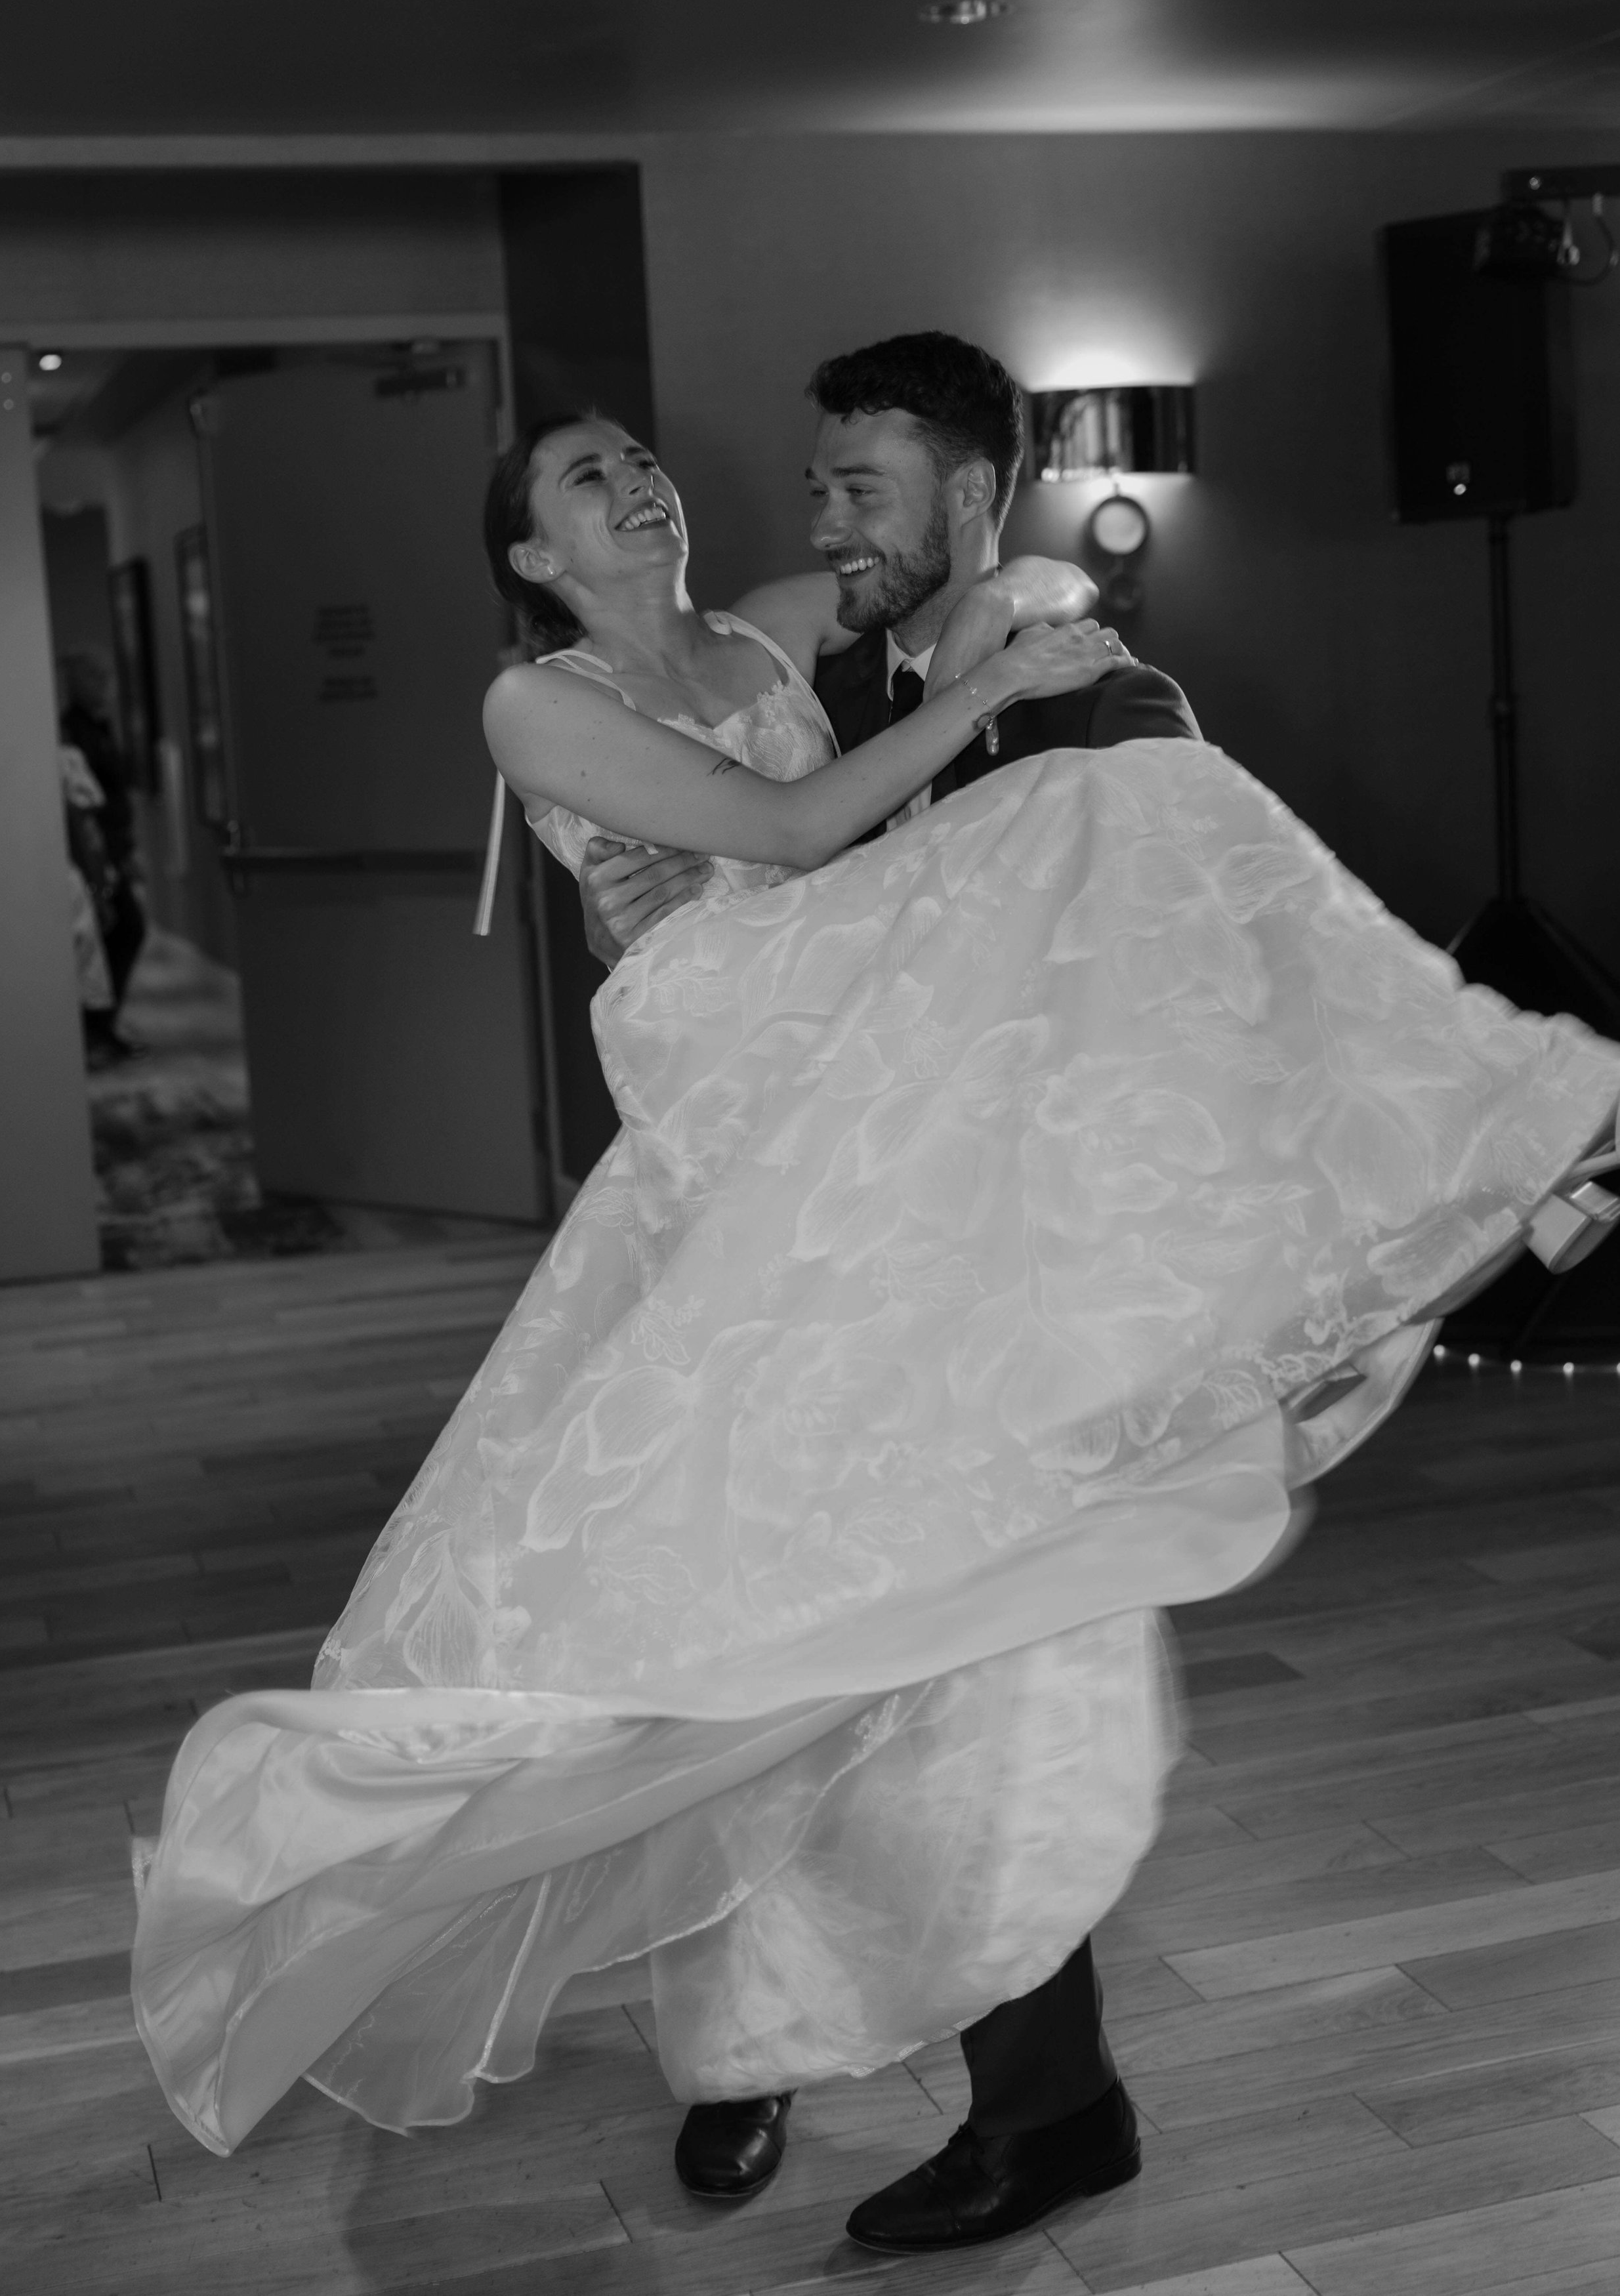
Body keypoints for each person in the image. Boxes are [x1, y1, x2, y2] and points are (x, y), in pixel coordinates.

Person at [133, 401, 1620, 2263]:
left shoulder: (763, 625)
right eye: (587, 480)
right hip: (732, 1070)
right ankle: (761, 2032)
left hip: (856, 1063)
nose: (639, 482)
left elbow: (948, 571)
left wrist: (1035, 599)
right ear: (530, 556)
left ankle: (1493, 1141)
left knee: (873, 1557)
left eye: (642, 457)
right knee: (709, 1576)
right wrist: (991, 685)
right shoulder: (535, 697)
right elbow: (784, 821)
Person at [579, 335, 1193, 2234]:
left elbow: (1168, 977)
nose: (823, 523)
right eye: (818, 484)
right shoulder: (822, 684)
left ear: (972, 493)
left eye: (863, 488)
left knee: (980, 1693)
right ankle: (772, 2043)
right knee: (763, 1651)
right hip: (794, 1250)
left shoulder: (1101, 702)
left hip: (996, 1276)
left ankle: (1043, 2100)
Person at [59, 646, 146, 1058]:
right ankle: (96, 1026)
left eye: (108, 676)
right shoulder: (73, 735)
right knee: (124, 927)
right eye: (95, 677)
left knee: (122, 929)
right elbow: (85, 813)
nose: (105, 686)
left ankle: (101, 1024)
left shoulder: (99, 728)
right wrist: (104, 863)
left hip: (112, 852)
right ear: (75, 683)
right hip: (98, 857)